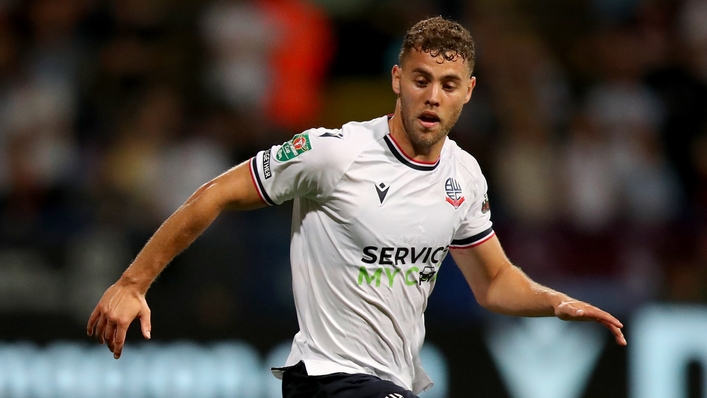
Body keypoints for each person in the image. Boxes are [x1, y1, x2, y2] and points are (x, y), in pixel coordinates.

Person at [87, 16, 627, 398]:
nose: (432, 96)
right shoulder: (334, 152)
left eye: (448, 84)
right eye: (420, 80)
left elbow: (493, 283)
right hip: (327, 378)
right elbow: (217, 193)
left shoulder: (464, 176)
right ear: (397, 80)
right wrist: (134, 283)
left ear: (469, 92)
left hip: (389, 380)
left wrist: (555, 302)